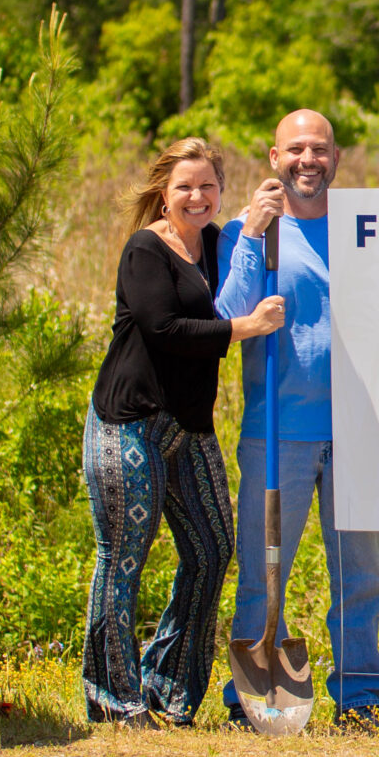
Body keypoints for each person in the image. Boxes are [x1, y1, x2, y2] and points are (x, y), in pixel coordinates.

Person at [83, 137, 285, 727]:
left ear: (221, 189)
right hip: (129, 422)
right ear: (163, 195)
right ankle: (113, 697)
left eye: (207, 186)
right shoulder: (146, 248)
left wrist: (260, 212)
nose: (197, 197)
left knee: (213, 549)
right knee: (123, 557)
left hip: (188, 427)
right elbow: (164, 327)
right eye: (184, 188)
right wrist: (245, 328)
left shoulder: (221, 243)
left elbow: (254, 253)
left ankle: (168, 688)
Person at [217, 109, 379, 729]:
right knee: (263, 573)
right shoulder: (248, 231)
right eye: (296, 150)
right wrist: (248, 234)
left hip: (358, 433)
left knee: (361, 578)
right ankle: (253, 694)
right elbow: (228, 317)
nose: (308, 160)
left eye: (320, 149)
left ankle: (362, 698)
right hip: (276, 434)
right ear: (273, 158)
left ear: (337, 159)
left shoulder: (368, 229)